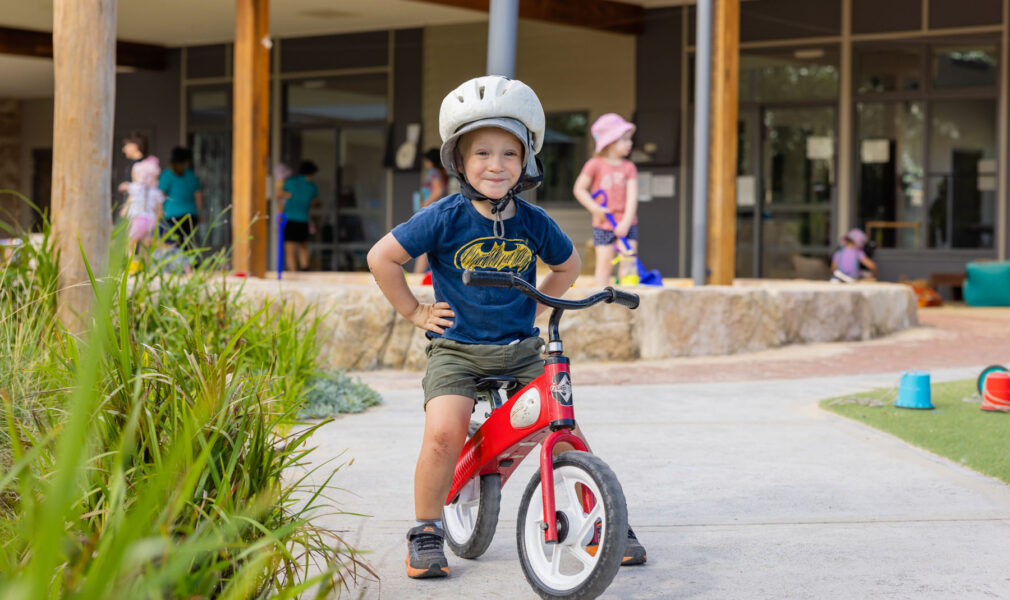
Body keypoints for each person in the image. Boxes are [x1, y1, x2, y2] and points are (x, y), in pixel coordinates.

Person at [367, 75, 647, 580]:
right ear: (459, 162)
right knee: (443, 434)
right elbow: (382, 257)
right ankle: (427, 529)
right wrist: (416, 312)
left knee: (565, 428)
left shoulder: (534, 220)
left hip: (521, 350)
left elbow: (568, 266)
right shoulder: (444, 217)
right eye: (482, 153)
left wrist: (538, 308)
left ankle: (599, 512)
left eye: (509, 154)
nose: (496, 165)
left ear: (526, 163)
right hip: (456, 349)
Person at [573, 113, 640, 288]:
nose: (630, 143)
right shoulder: (594, 164)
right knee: (604, 263)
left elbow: (632, 198)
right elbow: (579, 189)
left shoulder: (629, 167)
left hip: (627, 225)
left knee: (628, 262)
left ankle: (628, 300)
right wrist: (595, 208)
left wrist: (625, 223)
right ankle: (601, 299)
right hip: (603, 225)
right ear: (610, 142)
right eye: (625, 139)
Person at [120, 155, 164, 266]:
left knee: (130, 243)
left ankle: (129, 264)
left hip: (137, 219)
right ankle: (145, 265)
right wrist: (159, 218)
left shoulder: (135, 187)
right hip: (150, 220)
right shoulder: (156, 192)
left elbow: (124, 190)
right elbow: (159, 209)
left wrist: (124, 211)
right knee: (146, 245)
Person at [158, 146, 204, 251]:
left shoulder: (167, 174)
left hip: (171, 215)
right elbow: (198, 195)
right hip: (190, 215)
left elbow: (160, 195)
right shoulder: (191, 175)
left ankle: (179, 266)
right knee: (187, 244)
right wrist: (200, 213)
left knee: (172, 246)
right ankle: (189, 266)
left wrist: (159, 212)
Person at [412, 148, 449, 274]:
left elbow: (438, 190)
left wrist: (424, 205)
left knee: (424, 243)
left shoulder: (433, 172)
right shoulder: (441, 172)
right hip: (438, 211)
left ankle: (417, 275)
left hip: (431, 211)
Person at [277, 160, 318, 271]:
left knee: (290, 249)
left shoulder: (290, 183)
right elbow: (314, 202)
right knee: (303, 247)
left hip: (290, 219)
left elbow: (279, 196)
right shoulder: (311, 187)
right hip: (303, 220)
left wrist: (288, 196)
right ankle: (305, 270)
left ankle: (293, 273)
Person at [117, 131, 149, 218]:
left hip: (137, 210)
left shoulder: (138, 166)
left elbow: (137, 189)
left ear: (134, 145)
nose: (123, 149)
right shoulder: (144, 163)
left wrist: (125, 209)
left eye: (126, 145)